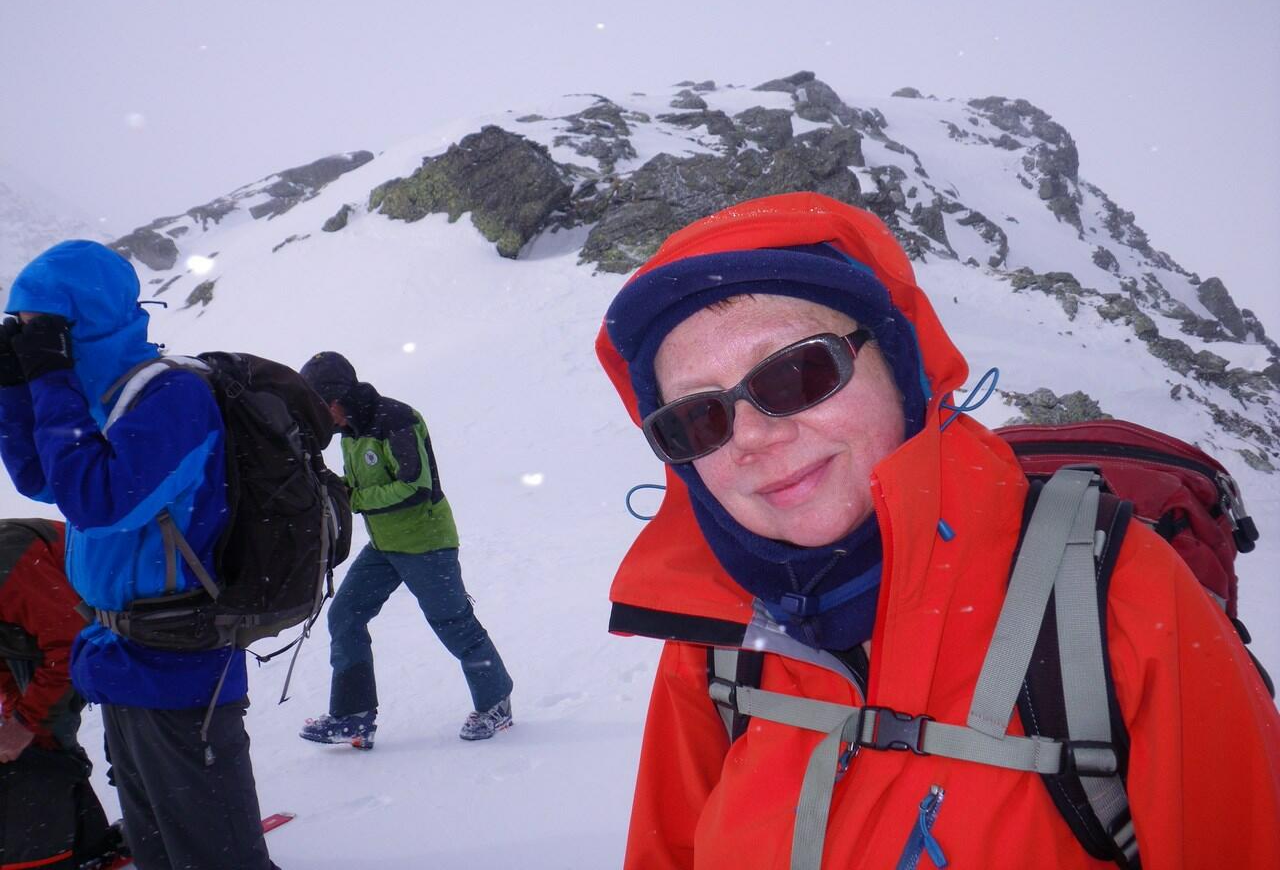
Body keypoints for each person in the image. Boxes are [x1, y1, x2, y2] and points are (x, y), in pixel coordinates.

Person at [595, 192, 1280, 869]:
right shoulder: (717, 641)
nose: (750, 436)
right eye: (698, 419)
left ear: (900, 370)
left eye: (798, 373)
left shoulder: (1117, 594)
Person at [0, 241, 278, 870]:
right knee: (156, 845)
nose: (28, 339)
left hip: (179, 659)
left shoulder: (170, 397)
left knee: (216, 855)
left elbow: (99, 502)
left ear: (82, 321)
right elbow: (42, 480)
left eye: (38, 326)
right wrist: (18, 387)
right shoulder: (100, 402)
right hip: (119, 655)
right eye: (20, 327)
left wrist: (50, 378)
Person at [297, 351, 513, 747]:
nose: (319, 418)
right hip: (384, 546)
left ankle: (495, 702)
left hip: (426, 543)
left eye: (319, 406)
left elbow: (415, 486)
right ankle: (353, 716)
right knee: (345, 615)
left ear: (336, 398)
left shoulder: (397, 420)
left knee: (453, 623)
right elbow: (361, 483)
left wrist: (354, 498)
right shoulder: (351, 432)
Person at [0, 517, 125, 870]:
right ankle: (83, 842)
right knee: (43, 744)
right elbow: (5, 662)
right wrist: (16, 721)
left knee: (133, 742)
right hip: (59, 629)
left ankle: (165, 826)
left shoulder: (8, 565)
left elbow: (69, 644)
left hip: (126, 618)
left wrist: (25, 723)